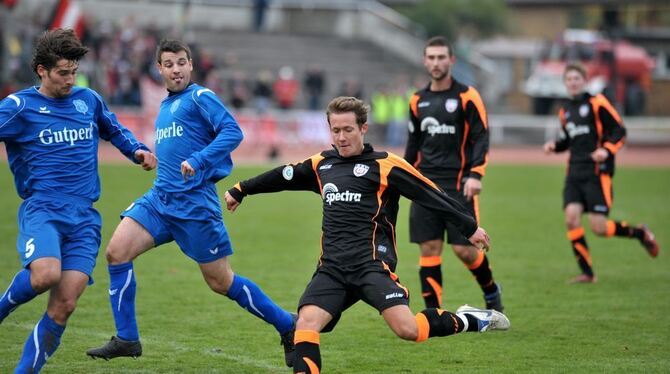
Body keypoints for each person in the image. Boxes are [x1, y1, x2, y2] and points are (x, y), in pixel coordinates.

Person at [224, 96, 510, 373]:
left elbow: (430, 194)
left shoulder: (386, 165)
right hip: (332, 268)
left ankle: (469, 318)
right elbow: (283, 176)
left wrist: (469, 227)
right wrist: (242, 189)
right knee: (306, 326)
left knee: (408, 330)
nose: (341, 137)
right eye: (335, 130)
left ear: (363, 128)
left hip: (372, 265)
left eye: (348, 129)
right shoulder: (321, 164)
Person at [86, 39, 297, 366]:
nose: (176, 69)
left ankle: (288, 325)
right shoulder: (166, 106)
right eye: (169, 64)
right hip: (160, 200)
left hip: (195, 206)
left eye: (181, 62)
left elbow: (232, 132)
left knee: (220, 282)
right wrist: (150, 159)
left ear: (190, 65)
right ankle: (127, 338)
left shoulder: (200, 96)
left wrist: (199, 160)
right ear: (160, 69)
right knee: (116, 252)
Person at [0, 28, 157, 373]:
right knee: (45, 275)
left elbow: (113, 129)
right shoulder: (19, 107)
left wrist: (137, 150)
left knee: (65, 304)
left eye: (73, 71)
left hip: (84, 218)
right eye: (62, 73)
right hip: (44, 209)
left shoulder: (88, 100)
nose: (71, 79)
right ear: (41, 70)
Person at [404, 36, 502, 311]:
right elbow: (413, 144)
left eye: (441, 57)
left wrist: (476, 175)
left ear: (451, 60)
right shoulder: (417, 100)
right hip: (425, 185)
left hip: (460, 184)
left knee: (465, 251)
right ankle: (434, 313)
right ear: (425, 61)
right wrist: (402, 177)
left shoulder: (467, 96)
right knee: (429, 248)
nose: (436, 63)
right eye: (431, 58)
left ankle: (492, 290)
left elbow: (481, 137)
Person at [543, 63, 659, 283]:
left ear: (584, 80)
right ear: (565, 83)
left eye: (577, 78)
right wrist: (554, 146)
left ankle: (640, 233)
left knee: (599, 228)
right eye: (569, 80)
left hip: (597, 173)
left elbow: (619, 130)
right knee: (571, 219)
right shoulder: (565, 110)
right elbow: (569, 140)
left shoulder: (597, 103)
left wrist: (606, 150)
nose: (573, 83)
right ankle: (587, 273)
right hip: (574, 172)